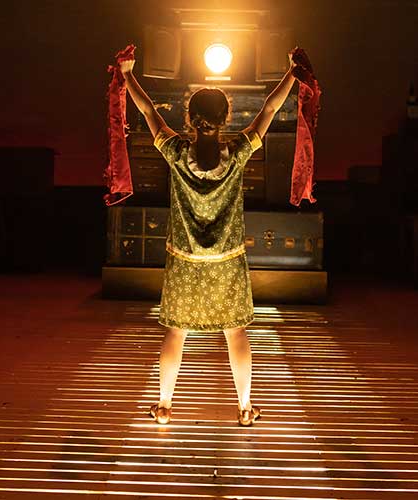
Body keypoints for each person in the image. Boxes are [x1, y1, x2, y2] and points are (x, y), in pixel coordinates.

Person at [119, 49, 305, 426]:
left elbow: (149, 111)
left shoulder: (174, 152)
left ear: (189, 118)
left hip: (185, 261)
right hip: (227, 260)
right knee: (235, 333)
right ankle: (245, 409)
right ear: (227, 118)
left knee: (176, 332)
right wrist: (291, 74)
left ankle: (165, 406)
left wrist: (127, 76)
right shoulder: (237, 153)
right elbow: (268, 110)